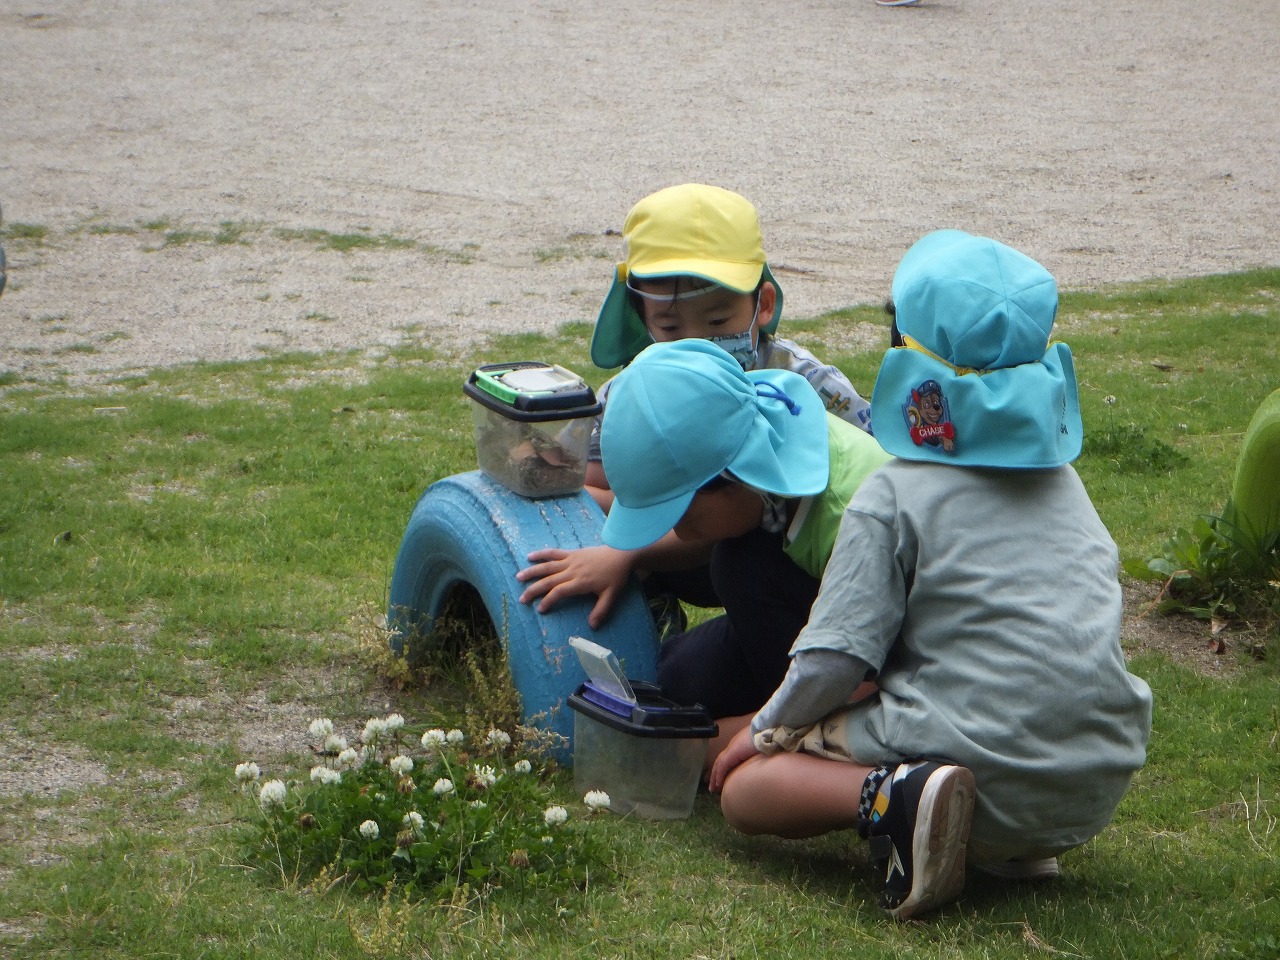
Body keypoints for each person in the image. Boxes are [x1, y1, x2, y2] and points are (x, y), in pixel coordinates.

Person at [704, 230, 1153, 920]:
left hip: (989, 760)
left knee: (747, 791)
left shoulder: (893, 492)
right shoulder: (1065, 484)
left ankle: (903, 800)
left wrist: (762, 733)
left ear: (906, 363)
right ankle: (1007, 845)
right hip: (1093, 780)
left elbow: (835, 660)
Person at [517, 183, 873, 638]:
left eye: (719, 322)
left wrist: (629, 552)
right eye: (670, 326)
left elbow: (871, 479)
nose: (697, 343)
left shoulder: (805, 384)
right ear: (642, 319)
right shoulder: (634, 395)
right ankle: (645, 614)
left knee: (736, 558)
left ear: (762, 305)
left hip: (783, 568)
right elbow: (591, 491)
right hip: (684, 552)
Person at [592, 338, 891, 727]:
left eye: (683, 513)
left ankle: (800, 728)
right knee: (678, 678)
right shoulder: (774, 449)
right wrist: (629, 555)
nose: (679, 532)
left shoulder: (851, 522)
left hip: (880, 656)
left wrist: (754, 732)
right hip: (807, 602)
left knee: (736, 564)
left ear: (738, 476)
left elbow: (877, 672)